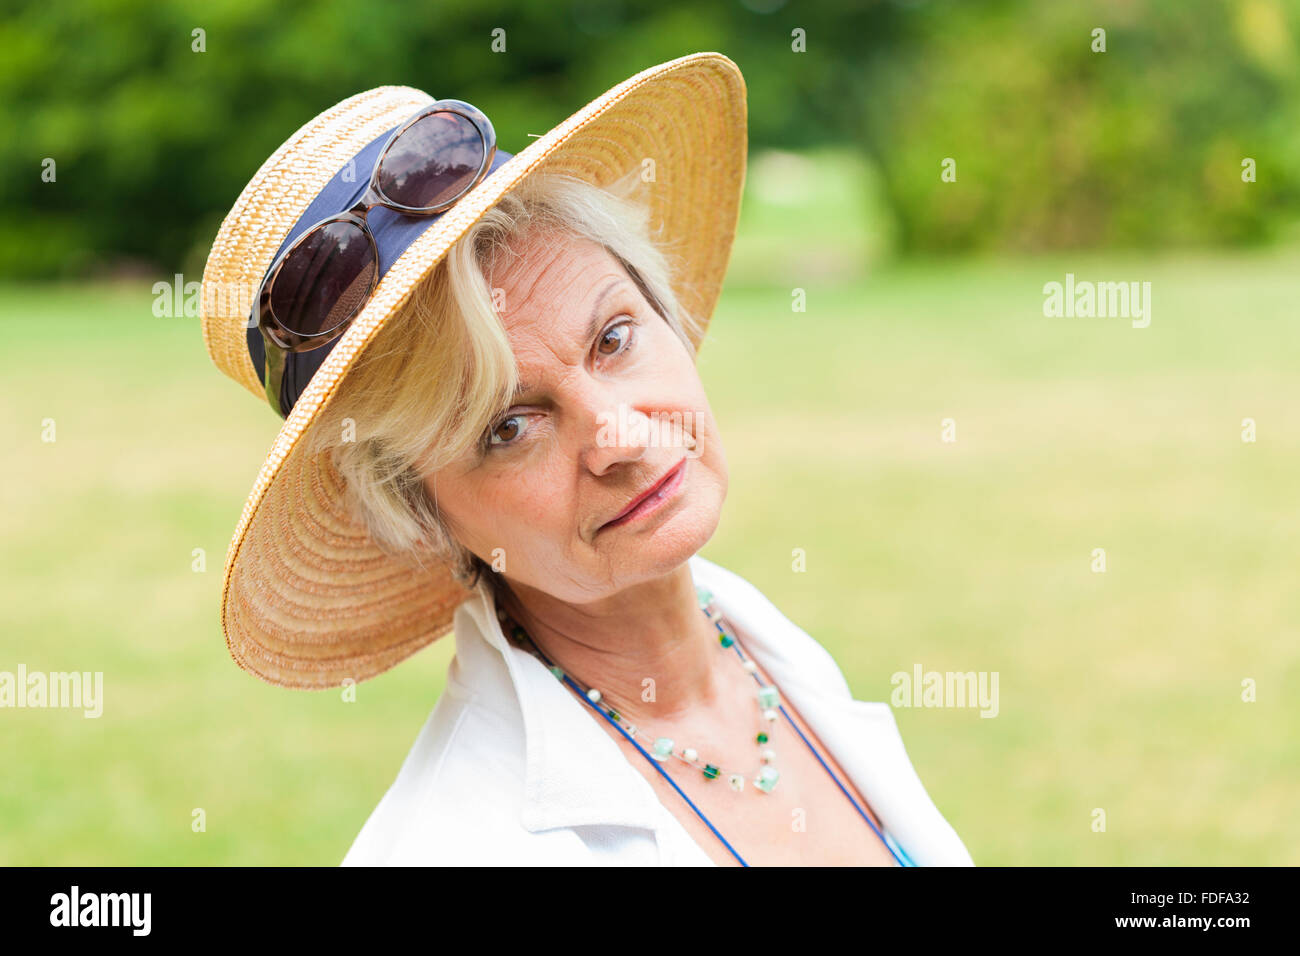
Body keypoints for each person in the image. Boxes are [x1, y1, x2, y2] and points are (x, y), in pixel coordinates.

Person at [199, 52, 974, 867]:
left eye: (612, 338)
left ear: (663, 310)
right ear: (422, 513)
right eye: (507, 428)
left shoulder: (760, 642)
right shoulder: (460, 845)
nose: (624, 439)